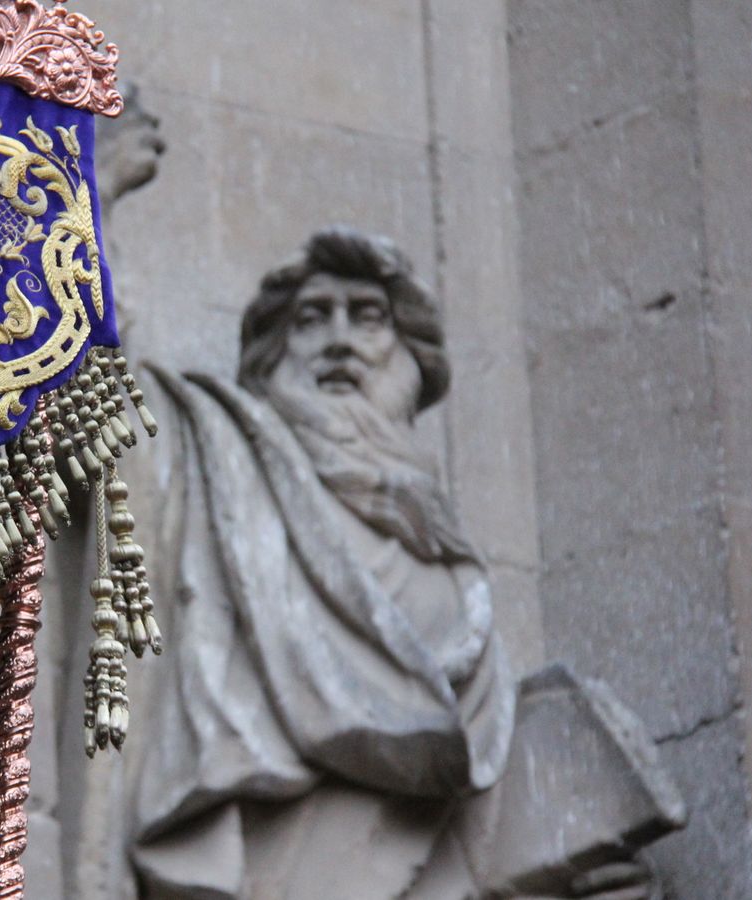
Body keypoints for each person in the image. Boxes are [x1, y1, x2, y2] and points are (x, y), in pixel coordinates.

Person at [127, 227, 680, 900]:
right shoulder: (221, 466)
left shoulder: (448, 566)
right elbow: (87, 408)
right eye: (310, 319)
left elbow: (461, 832)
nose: (339, 341)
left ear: (409, 359)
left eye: (369, 318)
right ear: (272, 354)